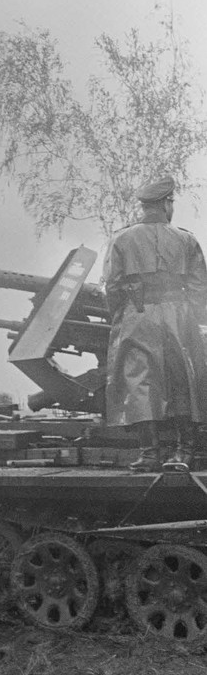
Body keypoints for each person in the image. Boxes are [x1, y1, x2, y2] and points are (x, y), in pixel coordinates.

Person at [103, 175, 207, 472]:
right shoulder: (186, 239)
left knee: (141, 381)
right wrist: (194, 317)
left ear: (146, 206)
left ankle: (149, 454)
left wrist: (119, 316)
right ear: (166, 203)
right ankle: (183, 453)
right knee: (182, 379)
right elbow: (200, 287)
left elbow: (112, 285)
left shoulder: (121, 239)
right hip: (179, 315)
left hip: (139, 314)